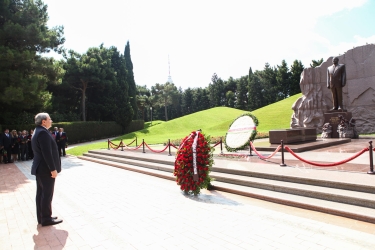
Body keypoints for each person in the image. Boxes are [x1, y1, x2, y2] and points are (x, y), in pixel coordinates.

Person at [31, 113, 62, 226]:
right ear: (44, 121)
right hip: (45, 169)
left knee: (41, 193)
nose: (51, 121)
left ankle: (42, 216)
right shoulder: (43, 132)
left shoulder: (37, 131)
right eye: (49, 119)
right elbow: (46, 153)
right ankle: (46, 218)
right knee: (47, 194)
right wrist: (52, 169)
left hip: (40, 168)